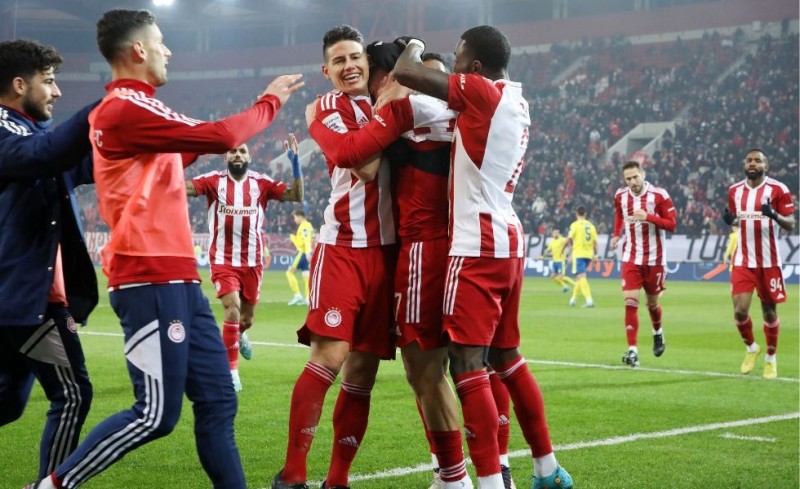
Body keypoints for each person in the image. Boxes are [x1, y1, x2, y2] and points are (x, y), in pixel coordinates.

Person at [26, 9, 303, 489]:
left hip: (180, 279)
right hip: (148, 276)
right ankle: (52, 485)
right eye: (160, 42)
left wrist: (214, 139)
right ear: (138, 50)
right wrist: (270, 100)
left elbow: (191, 147)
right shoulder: (126, 106)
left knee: (218, 400)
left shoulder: (136, 109)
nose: (167, 50)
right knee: (155, 414)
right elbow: (221, 137)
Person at [393, 26, 573, 489]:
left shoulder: (480, 91)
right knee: (507, 358)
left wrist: (413, 45)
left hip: (476, 245)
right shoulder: (516, 99)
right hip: (508, 242)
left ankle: (491, 482)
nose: (453, 65)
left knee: (466, 364)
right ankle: (547, 468)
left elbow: (406, 72)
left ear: (474, 67)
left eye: (457, 57)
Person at [308, 47, 477, 488]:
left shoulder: (408, 108)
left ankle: (455, 477)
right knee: (470, 368)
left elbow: (357, 159)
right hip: (459, 247)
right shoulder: (458, 112)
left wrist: (315, 119)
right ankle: (489, 471)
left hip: (424, 248)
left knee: (425, 371)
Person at [272, 25, 396, 489]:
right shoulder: (327, 107)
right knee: (330, 357)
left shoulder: (385, 101)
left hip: (388, 253)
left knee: (363, 371)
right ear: (327, 71)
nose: (349, 66)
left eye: (355, 57)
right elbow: (364, 166)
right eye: (339, 61)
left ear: (368, 61)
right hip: (343, 246)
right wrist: (394, 112)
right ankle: (292, 474)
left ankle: (337, 479)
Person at [0, 39, 99, 483]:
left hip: (22, 297)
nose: (57, 92)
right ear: (20, 84)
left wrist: (170, 145)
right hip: (25, 296)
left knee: (7, 400)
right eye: (50, 81)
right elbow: (43, 156)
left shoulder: (31, 134)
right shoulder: (10, 133)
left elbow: (78, 164)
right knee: (73, 394)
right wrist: (106, 106)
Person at [187, 135, 304, 392]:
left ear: (249, 157)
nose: (238, 155)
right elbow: (183, 188)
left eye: (242, 151)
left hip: (253, 261)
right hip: (223, 260)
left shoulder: (261, 183)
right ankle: (230, 372)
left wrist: (295, 164)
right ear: (226, 157)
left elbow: (296, 195)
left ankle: (239, 334)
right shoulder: (213, 181)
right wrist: (173, 159)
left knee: (247, 319)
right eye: (233, 152)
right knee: (232, 307)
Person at [722, 148, 794, 379]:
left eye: (758, 161)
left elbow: (791, 223)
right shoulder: (735, 190)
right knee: (739, 311)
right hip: (743, 260)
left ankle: (771, 358)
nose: (753, 164)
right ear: (745, 165)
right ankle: (752, 348)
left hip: (769, 262)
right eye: (749, 160)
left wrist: (773, 214)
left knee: (769, 312)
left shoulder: (778, 190)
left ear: (766, 166)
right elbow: (736, 217)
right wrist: (730, 220)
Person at [610, 161, 676, 368]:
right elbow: (619, 215)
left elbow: (672, 224)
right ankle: (633, 351)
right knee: (630, 302)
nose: (632, 182)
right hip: (631, 257)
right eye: (628, 179)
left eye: (635, 177)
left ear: (643, 175)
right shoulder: (621, 196)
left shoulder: (659, 195)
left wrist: (648, 217)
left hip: (655, 259)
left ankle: (658, 332)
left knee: (652, 305)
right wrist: (616, 234)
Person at [564, 206, 598, 308]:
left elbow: (569, 238)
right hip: (588, 255)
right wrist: (595, 256)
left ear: (576, 213)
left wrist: (563, 250)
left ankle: (589, 300)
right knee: (580, 277)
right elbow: (595, 243)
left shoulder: (575, 225)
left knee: (581, 276)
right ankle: (573, 299)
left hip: (579, 254)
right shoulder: (591, 226)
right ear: (585, 214)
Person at [287, 209, 314, 306]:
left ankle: (297, 295)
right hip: (305, 252)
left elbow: (306, 239)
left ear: (299, 216)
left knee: (289, 272)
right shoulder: (307, 225)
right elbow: (303, 240)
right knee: (306, 276)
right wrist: (294, 238)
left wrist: (308, 252)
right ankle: (308, 298)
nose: (294, 220)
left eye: (295, 217)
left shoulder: (304, 226)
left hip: (302, 253)